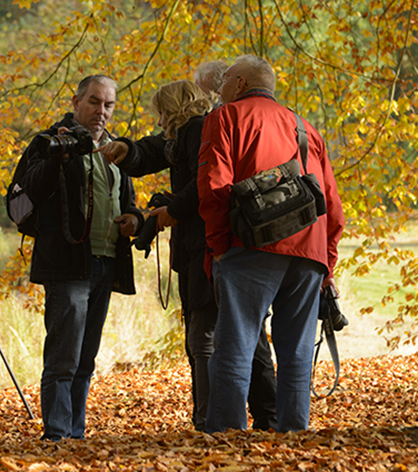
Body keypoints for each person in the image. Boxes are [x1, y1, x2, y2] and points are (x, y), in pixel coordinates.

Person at [96, 79, 277, 432]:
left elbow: (201, 184)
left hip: (207, 249)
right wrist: (127, 150)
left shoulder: (198, 131)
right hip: (215, 249)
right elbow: (154, 151)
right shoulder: (191, 134)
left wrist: (169, 213)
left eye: (162, 113)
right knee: (246, 334)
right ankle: (264, 416)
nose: (160, 122)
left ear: (176, 109)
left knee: (205, 338)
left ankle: (212, 419)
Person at [197, 55, 345, 433]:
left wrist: (218, 248)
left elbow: (213, 187)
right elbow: (331, 202)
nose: (221, 87)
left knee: (236, 346)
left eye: (226, 79)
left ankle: (227, 438)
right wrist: (326, 263)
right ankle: (294, 437)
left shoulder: (225, 118)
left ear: (241, 84)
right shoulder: (305, 128)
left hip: (250, 248)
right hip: (308, 252)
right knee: (296, 353)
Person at [20, 75, 143, 441]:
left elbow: (128, 198)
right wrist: (62, 155)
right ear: (76, 101)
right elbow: (27, 194)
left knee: (86, 358)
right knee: (64, 358)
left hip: (107, 261)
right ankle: (57, 435)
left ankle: (75, 432)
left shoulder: (116, 149)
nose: (101, 111)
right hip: (68, 263)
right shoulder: (51, 140)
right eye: (94, 102)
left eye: (108, 105)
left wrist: (135, 219)